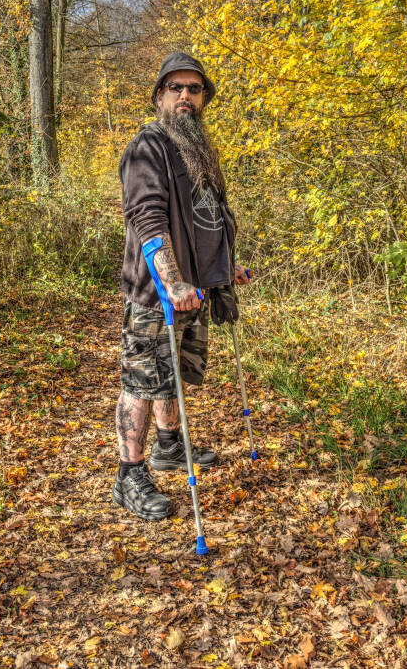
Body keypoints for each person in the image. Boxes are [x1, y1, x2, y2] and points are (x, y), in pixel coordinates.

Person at [112, 52, 251, 521]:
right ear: (159, 96)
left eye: (195, 89)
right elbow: (148, 218)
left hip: (197, 288)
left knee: (171, 373)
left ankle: (170, 447)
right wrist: (172, 281)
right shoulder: (147, 147)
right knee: (142, 380)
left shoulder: (199, 148)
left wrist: (225, 269)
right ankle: (128, 476)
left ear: (204, 98)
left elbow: (210, 217)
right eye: (176, 88)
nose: (186, 96)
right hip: (160, 293)